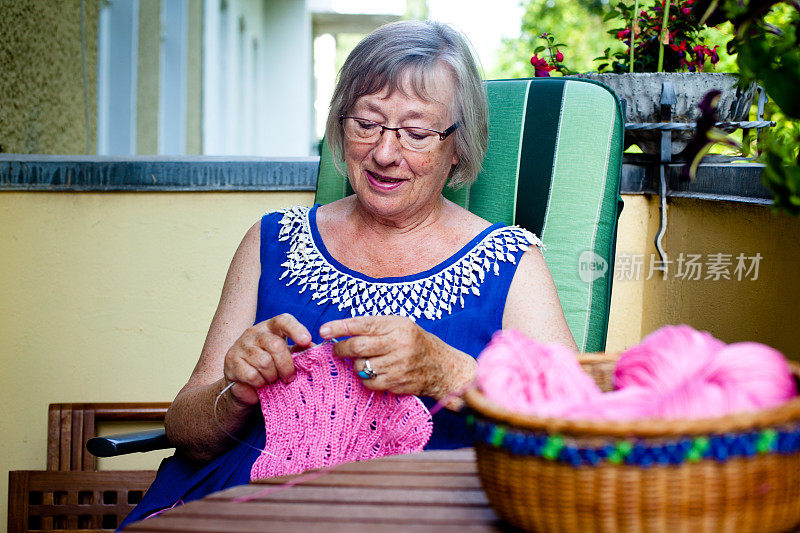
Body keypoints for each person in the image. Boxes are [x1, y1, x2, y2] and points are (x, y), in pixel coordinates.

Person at [120, 19, 576, 528]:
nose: (384, 153)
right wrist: (236, 392)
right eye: (367, 124)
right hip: (249, 505)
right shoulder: (271, 241)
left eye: (417, 133)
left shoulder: (511, 262)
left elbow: (573, 428)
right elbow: (185, 428)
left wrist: (450, 372)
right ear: (341, 125)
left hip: (427, 515)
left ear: (458, 145)